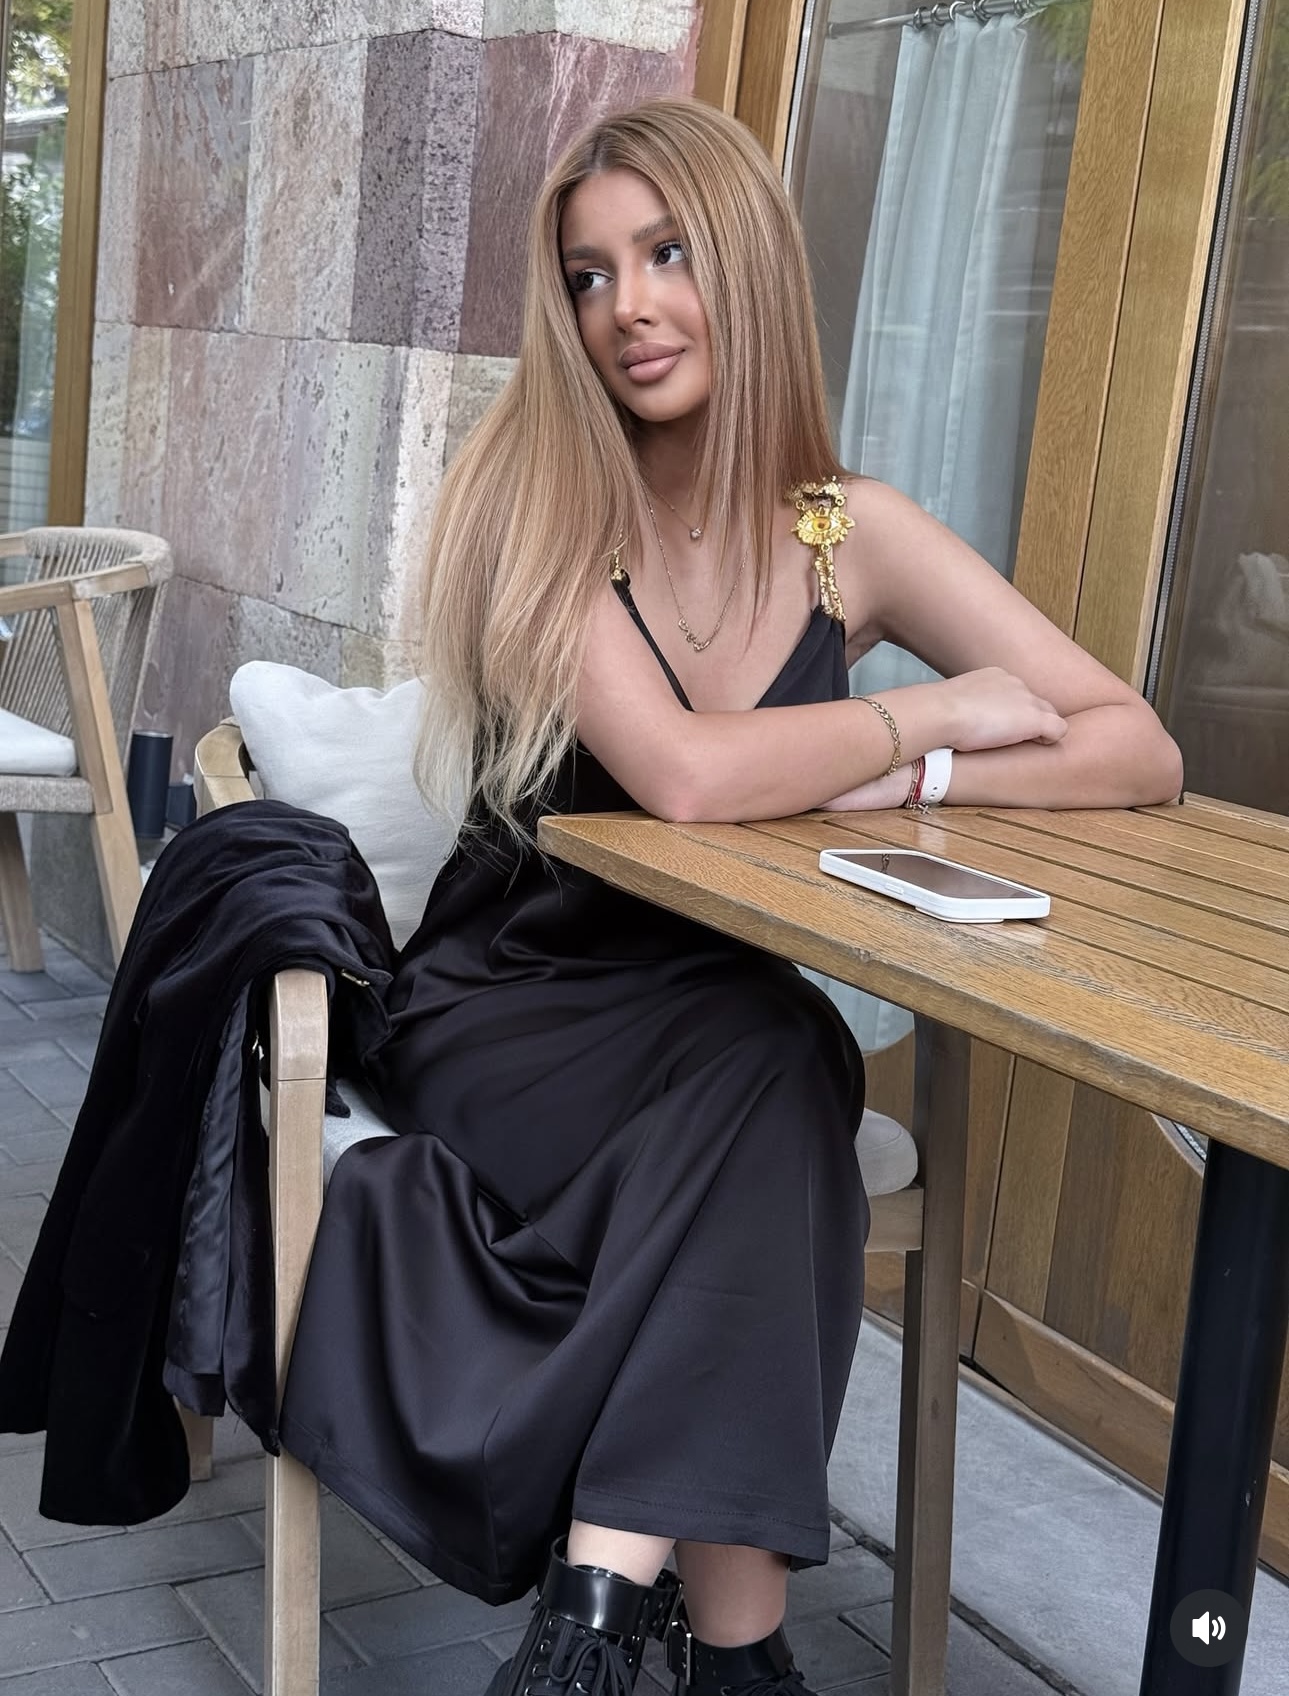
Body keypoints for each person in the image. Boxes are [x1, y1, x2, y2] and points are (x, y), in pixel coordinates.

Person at [278, 96, 1183, 1696]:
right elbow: (685, 775)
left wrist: (922, 779)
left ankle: (599, 1623)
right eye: (588, 275)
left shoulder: (846, 531)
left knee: (771, 1066)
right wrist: (926, 712)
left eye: (667, 254)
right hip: (510, 1009)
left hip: (712, 1024)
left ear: (748, 265)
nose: (626, 305)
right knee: (784, 1081)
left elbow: (1137, 747)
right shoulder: (534, 502)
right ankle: (730, 1658)